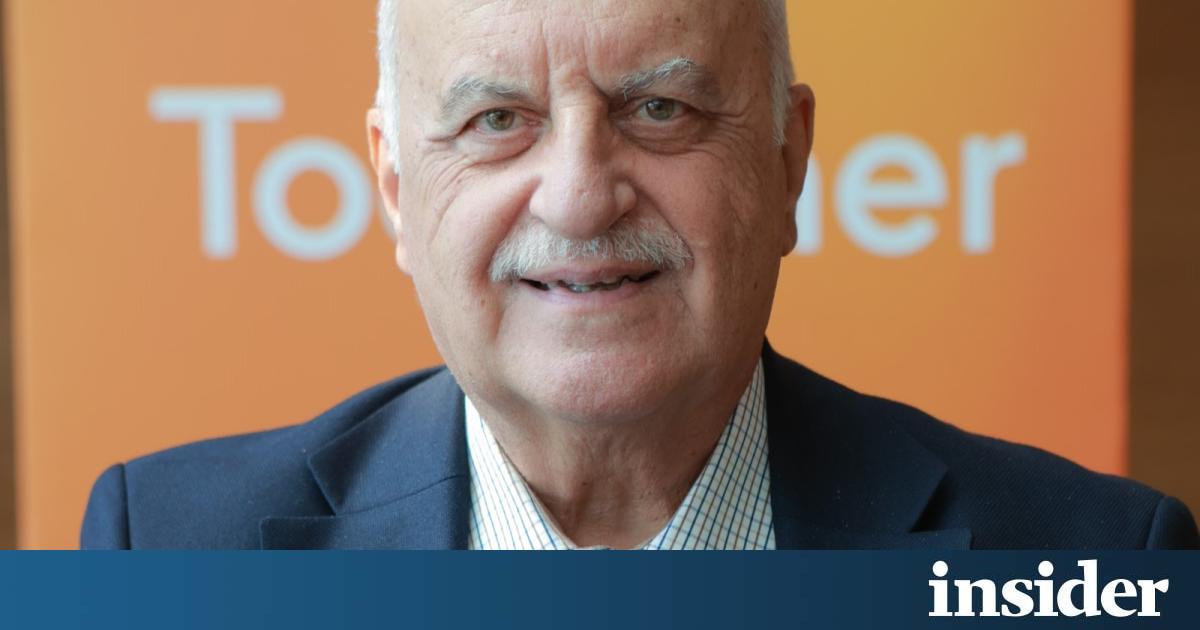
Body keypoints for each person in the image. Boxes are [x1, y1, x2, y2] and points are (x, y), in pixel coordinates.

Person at [81, 0, 1197, 550]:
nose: (579, 197)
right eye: (497, 119)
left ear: (788, 162)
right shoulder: (167, 553)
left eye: (659, 108)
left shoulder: (1091, 561)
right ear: (394, 188)